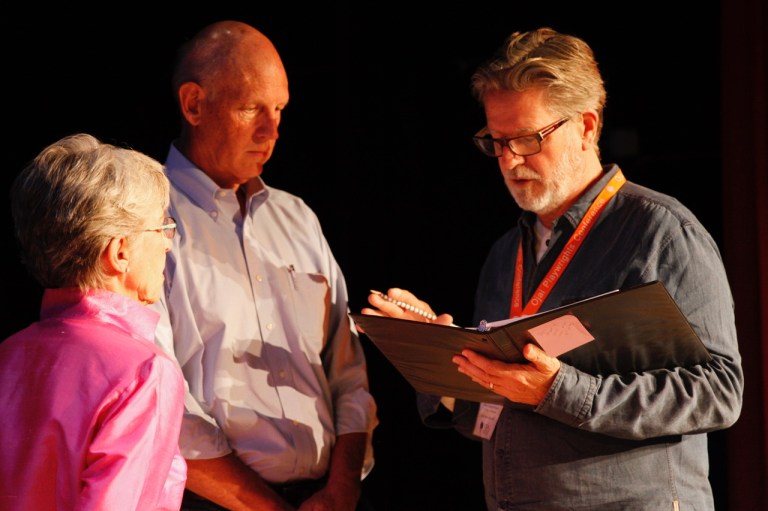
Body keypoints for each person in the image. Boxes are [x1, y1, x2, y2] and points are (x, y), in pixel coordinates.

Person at [363, 27, 743, 510]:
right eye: (496, 142)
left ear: (586, 126)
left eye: (526, 138)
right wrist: (441, 358)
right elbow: (495, 413)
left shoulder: (660, 232)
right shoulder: (506, 254)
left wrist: (561, 390)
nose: (509, 161)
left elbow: (719, 390)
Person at [151, 20, 378, 511]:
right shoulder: (146, 219)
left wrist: (343, 488)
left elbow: (348, 373)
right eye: (251, 107)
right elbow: (156, 399)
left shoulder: (297, 218)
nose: (272, 130)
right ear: (194, 104)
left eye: (279, 110)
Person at [0, 133, 186, 510]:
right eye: (163, 227)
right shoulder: (143, 373)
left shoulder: (8, 355)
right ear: (119, 252)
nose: (169, 243)